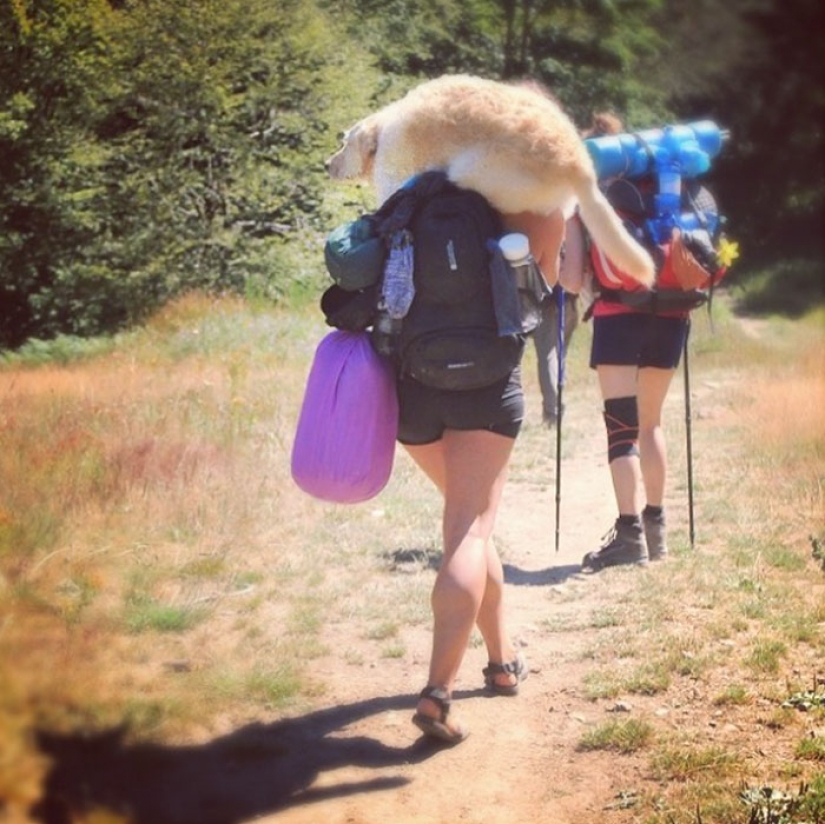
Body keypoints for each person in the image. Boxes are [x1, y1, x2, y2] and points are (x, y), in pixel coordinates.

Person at [578, 114, 723, 572]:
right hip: (672, 313)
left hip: (618, 315)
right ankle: (656, 531)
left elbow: (569, 278)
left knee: (621, 428)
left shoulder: (598, 198)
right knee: (651, 423)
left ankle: (628, 537)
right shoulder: (679, 189)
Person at [399, 359, 528, 744]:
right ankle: (437, 695)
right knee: (470, 530)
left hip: (412, 389)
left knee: (470, 522)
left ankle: (502, 662)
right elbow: (569, 293)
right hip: (485, 384)